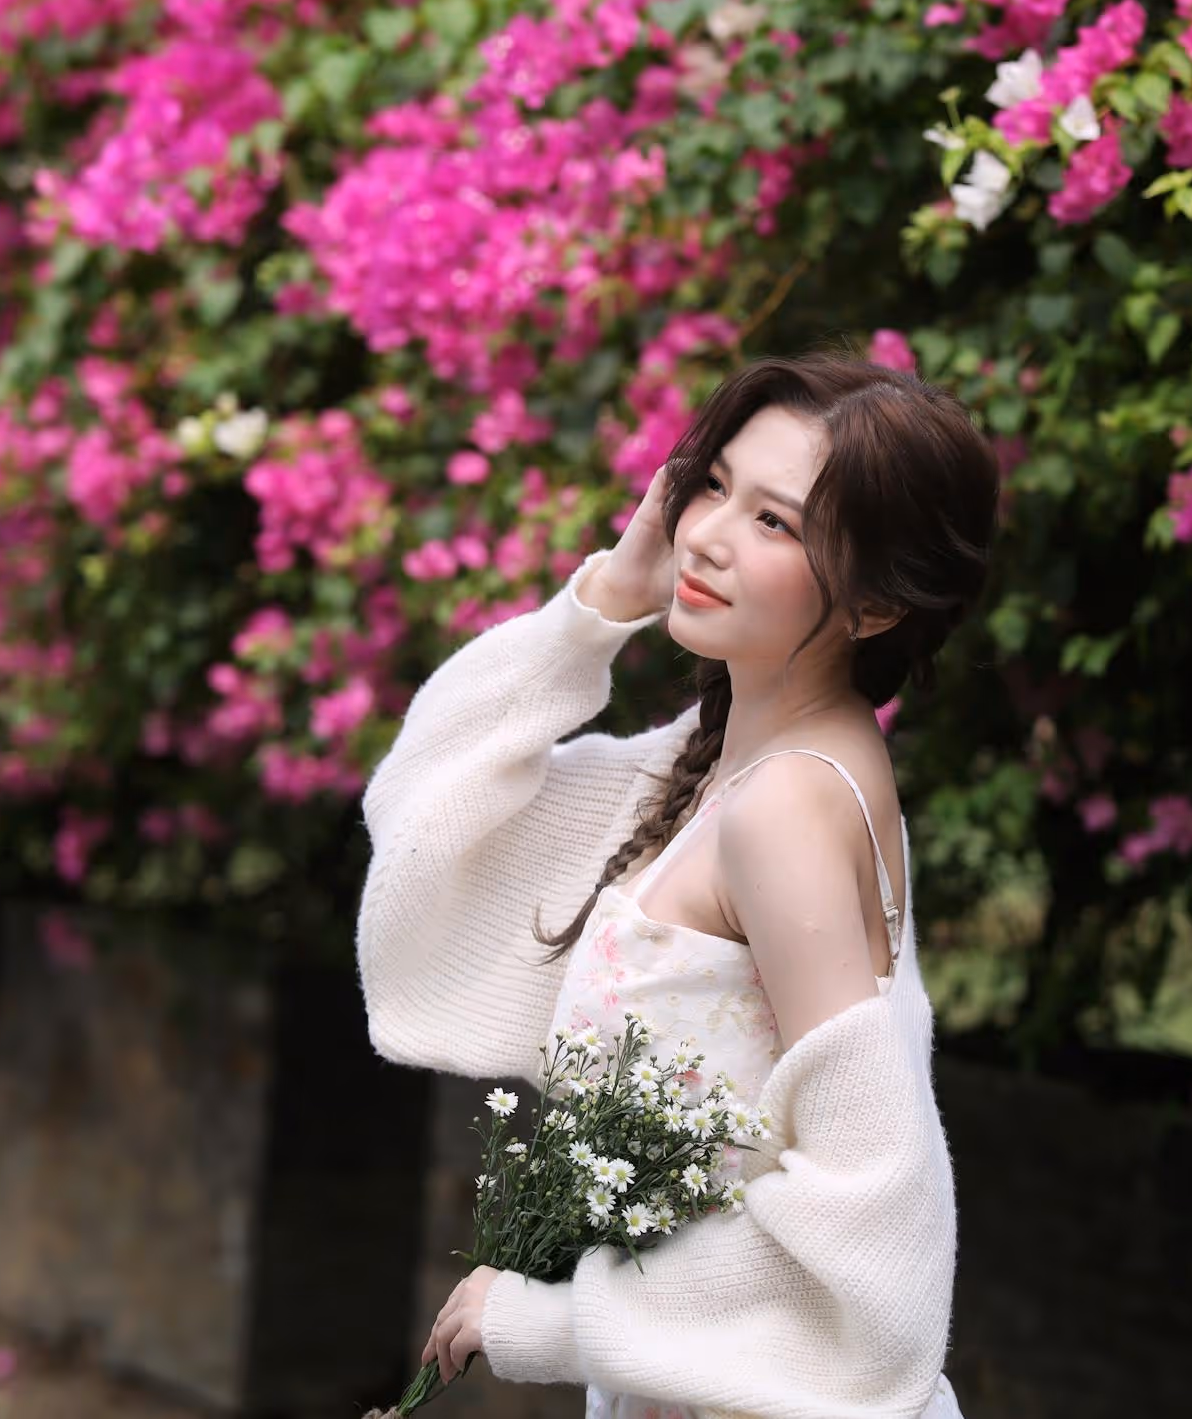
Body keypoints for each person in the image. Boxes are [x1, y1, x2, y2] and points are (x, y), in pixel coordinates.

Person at [356, 346, 1000, 1417]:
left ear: (877, 604)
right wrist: (606, 598)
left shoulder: (785, 809)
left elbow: (876, 1210)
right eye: (712, 486)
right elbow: (425, 811)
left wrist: (557, 1320)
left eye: (775, 523)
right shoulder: (708, 767)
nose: (704, 536)